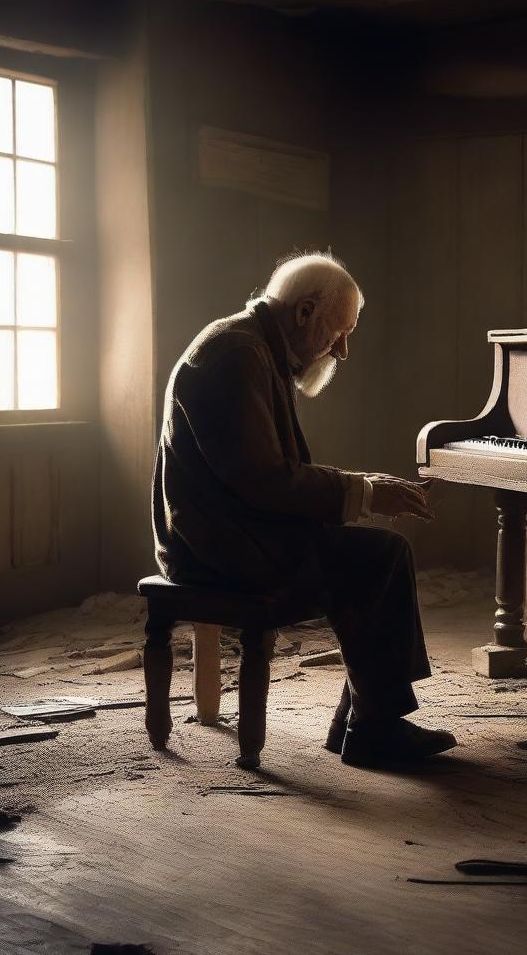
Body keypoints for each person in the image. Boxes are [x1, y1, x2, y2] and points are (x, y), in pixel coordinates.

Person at [151, 251, 457, 768]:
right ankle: (372, 728)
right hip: (213, 546)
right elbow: (264, 479)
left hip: (233, 530)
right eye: (339, 333)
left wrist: (359, 489)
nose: (343, 351)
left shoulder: (254, 347)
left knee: (375, 555)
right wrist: (361, 492)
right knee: (380, 556)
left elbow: (266, 473)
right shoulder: (235, 355)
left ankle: (362, 724)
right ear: (304, 311)